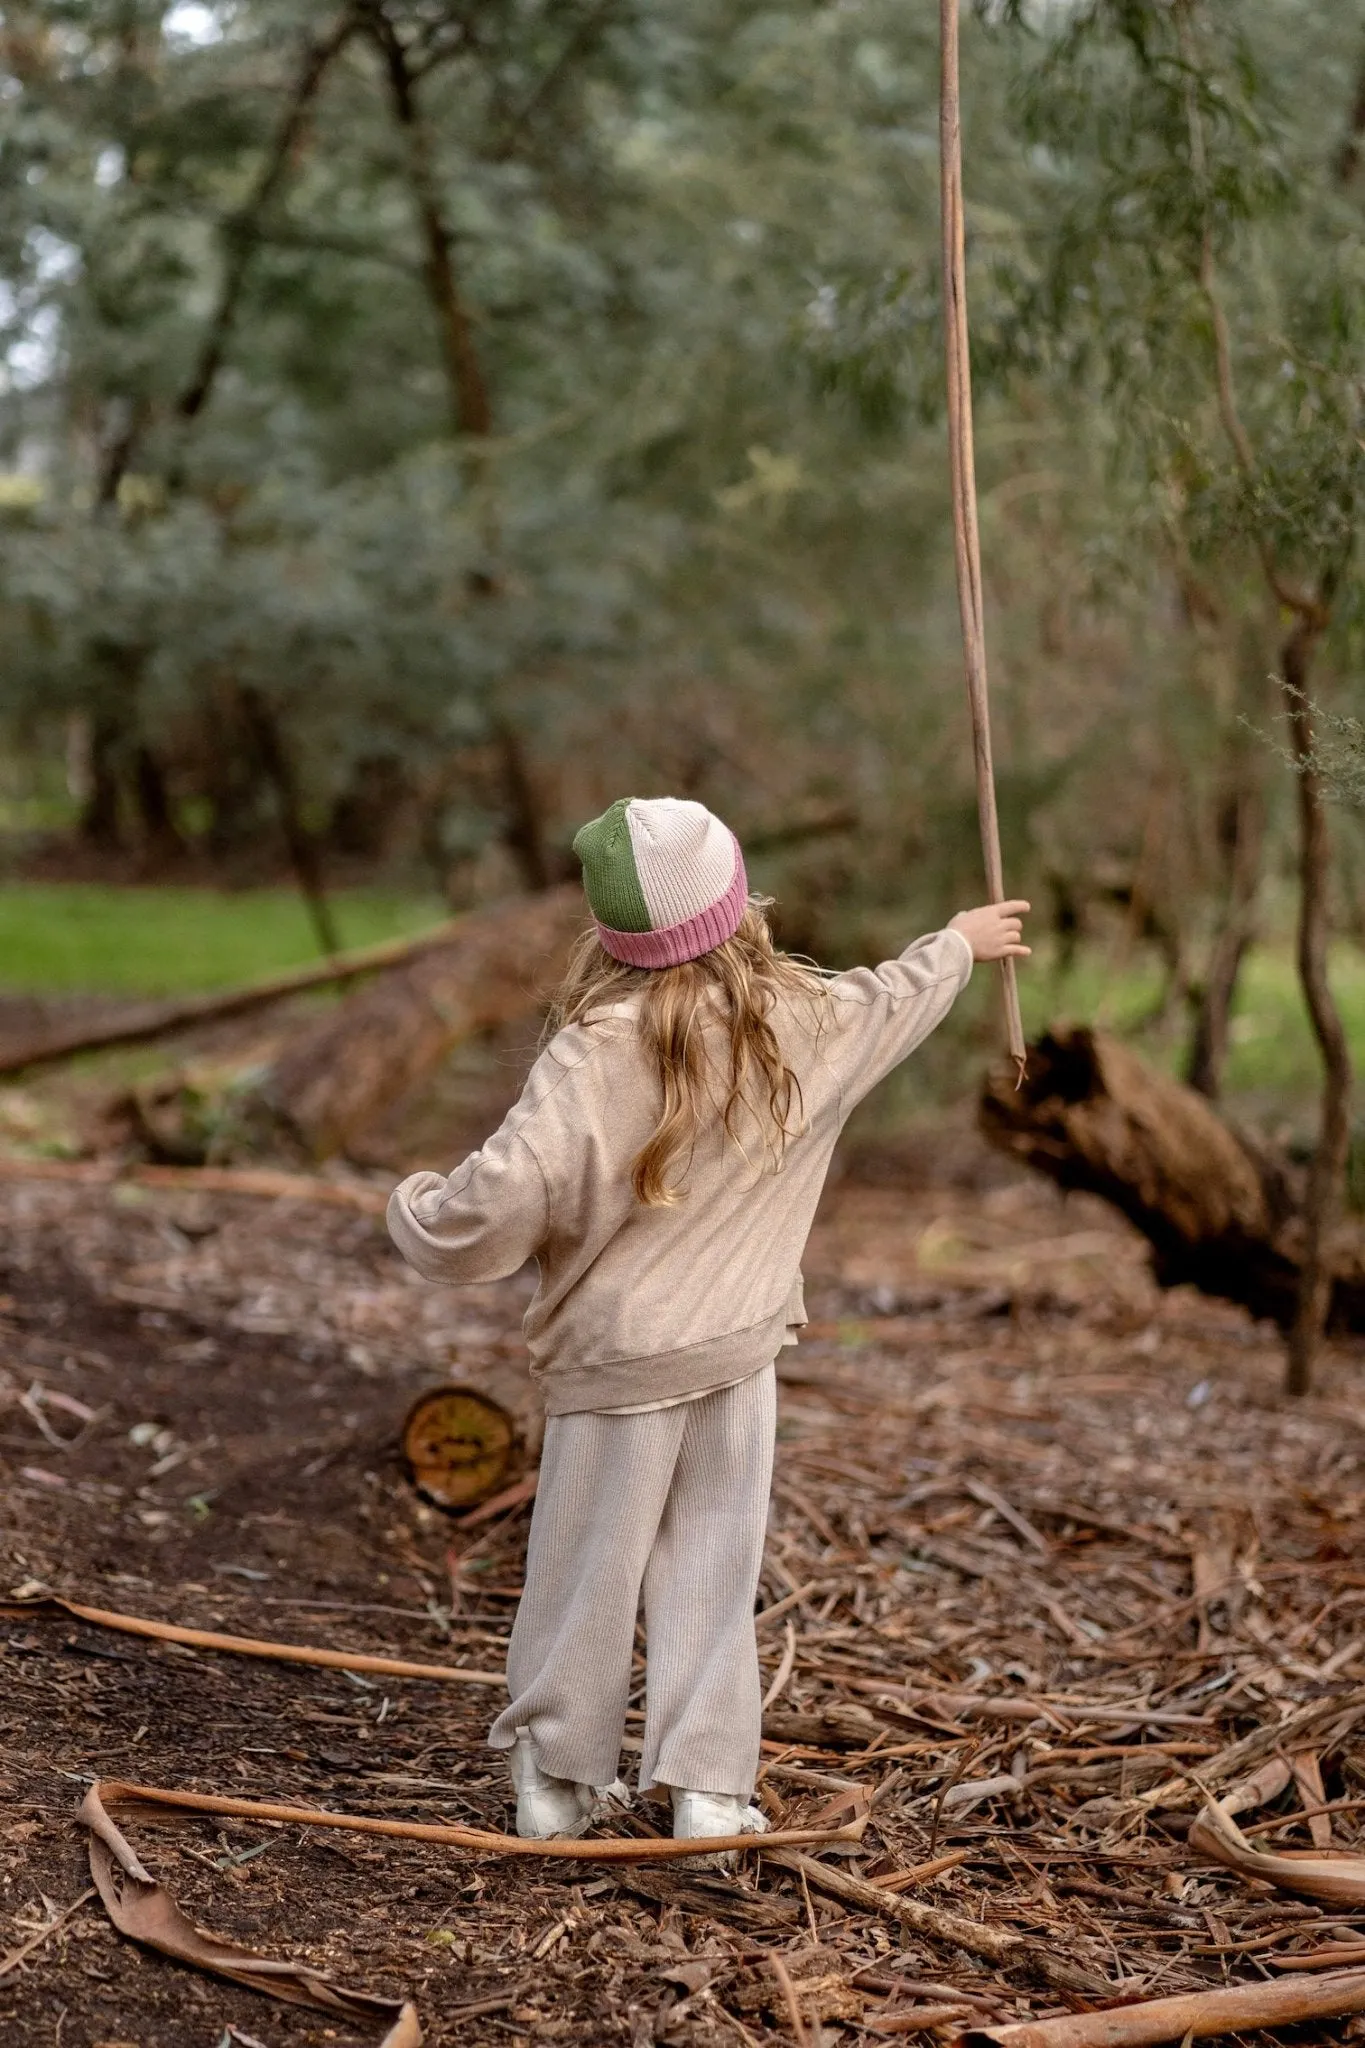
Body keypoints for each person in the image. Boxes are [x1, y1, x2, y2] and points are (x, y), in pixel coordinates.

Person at [388, 797, 1029, 1843]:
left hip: (614, 1369)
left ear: (609, 935)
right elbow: (894, 998)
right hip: (737, 1357)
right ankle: (710, 1790)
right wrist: (958, 943)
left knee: (585, 1570)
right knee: (712, 1566)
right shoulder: (806, 1019)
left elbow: (494, 1203)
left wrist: (416, 1210)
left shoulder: (593, 1052)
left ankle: (555, 1777)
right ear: (741, 902)